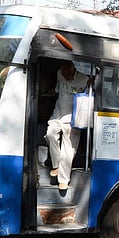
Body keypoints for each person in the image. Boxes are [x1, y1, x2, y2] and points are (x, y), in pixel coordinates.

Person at [44, 61, 89, 191]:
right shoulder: (59, 74)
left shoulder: (84, 79)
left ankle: (63, 180)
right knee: (50, 133)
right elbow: (58, 90)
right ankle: (56, 165)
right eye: (63, 72)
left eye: (67, 73)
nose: (65, 75)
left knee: (68, 150)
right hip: (57, 114)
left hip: (73, 117)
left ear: (73, 69)